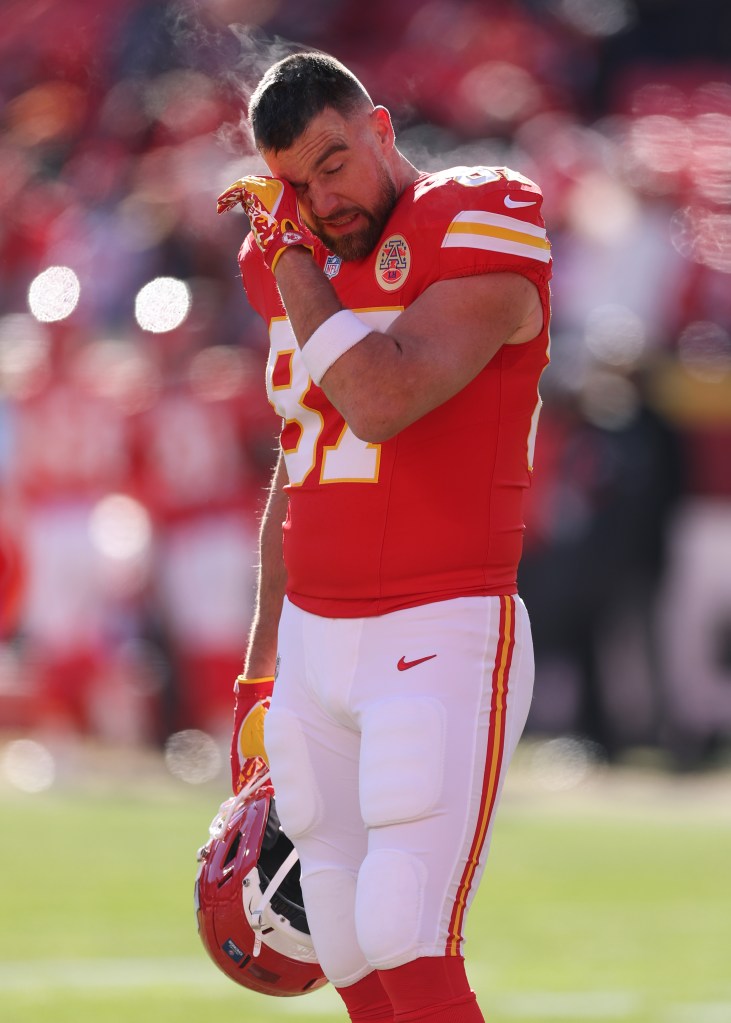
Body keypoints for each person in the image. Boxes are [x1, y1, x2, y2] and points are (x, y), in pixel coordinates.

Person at [217, 51, 552, 1023]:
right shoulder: (282, 257)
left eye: (332, 163)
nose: (319, 199)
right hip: (317, 642)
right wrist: (258, 670)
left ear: (382, 130)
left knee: (406, 930)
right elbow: (301, 455)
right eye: (291, 184)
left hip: (437, 624)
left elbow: (379, 398)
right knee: (350, 947)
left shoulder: (477, 213)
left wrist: (287, 255)